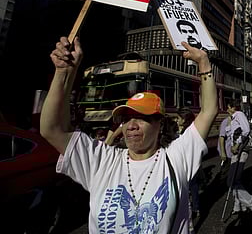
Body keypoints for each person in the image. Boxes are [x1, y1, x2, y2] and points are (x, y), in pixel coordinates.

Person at [40, 36, 217, 234]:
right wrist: (64, 73)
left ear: (159, 123)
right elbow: (52, 129)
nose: (130, 125)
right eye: (125, 118)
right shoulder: (102, 161)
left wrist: (203, 63)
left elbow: (208, 111)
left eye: (141, 118)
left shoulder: (176, 158)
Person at [219, 101, 252, 216]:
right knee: (236, 180)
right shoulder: (232, 119)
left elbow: (246, 130)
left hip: (241, 150)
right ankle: (240, 206)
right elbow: (230, 134)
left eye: (228, 107)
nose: (227, 109)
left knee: (231, 180)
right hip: (236, 152)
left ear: (232, 107)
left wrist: (237, 144)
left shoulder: (239, 115)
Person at [176, 107, 202, 224]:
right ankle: (195, 208)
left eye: (178, 118)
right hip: (186, 165)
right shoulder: (183, 131)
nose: (176, 120)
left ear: (184, 119)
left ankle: (194, 209)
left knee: (191, 187)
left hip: (188, 165)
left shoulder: (188, 133)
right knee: (193, 187)